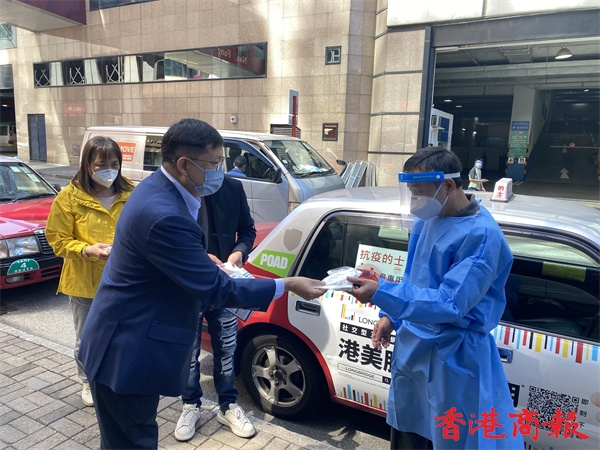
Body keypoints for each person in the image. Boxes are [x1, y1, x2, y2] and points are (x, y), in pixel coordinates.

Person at [78, 118, 326, 449]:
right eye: (214, 163)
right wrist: (288, 285)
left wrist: (199, 260)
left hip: (128, 341)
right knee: (131, 442)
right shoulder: (165, 214)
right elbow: (218, 289)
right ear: (185, 165)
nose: (220, 170)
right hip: (124, 353)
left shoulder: (162, 190)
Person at [348, 147, 523, 449]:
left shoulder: (482, 236)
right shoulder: (427, 219)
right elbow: (413, 278)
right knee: (408, 431)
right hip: (413, 348)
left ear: (448, 185)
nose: (415, 201)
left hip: (454, 358)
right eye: (411, 193)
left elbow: (451, 303)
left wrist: (382, 293)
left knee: (451, 434)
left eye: (420, 193)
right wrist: (391, 316)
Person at [45, 136, 134, 408]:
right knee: (87, 337)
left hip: (124, 281)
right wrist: (86, 249)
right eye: (101, 164)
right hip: (85, 282)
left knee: (122, 335)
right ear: (87, 164)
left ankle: (115, 377)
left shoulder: (131, 192)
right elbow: (57, 239)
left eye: (114, 164)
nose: (109, 170)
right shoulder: (69, 197)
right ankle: (87, 381)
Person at [174, 174, 256, 441]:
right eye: (211, 161)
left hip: (224, 283)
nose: (215, 167)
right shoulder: (180, 187)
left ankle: (228, 405)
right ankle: (190, 405)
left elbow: (248, 230)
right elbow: (170, 238)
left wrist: (239, 252)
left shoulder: (233, 186)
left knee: (227, 349)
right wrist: (199, 257)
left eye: (219, 160)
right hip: (190, 287)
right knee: (189, 352)